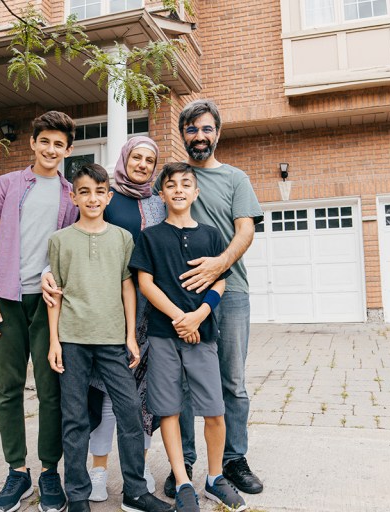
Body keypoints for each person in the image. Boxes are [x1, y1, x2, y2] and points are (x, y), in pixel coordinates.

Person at [47, 163, 173, 512]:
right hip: (72, 340)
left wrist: (131, 336)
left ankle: (135, 490)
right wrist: (55, 342)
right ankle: (77, 495)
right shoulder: (60, 241)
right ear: (73, 196)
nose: (92, 198)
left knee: (130, 411)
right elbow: (55, 293)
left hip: (112, 340)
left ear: (109, 195)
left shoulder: (122, 238)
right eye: (84, 191)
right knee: (74, 418)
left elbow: (127, 287)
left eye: (99, 192)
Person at [156, 99, 265, 498]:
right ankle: (183, 462)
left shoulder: (236, 179)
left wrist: (218, 265)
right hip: (179, 298)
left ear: (217, 132)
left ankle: (233, 461)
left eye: (206, 129)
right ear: (182, 134)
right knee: (182, 383)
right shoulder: (174, 177)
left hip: (230, 293)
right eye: (191, 129)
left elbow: (246, 231)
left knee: (231, 382)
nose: (199, 136)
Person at [132, 162, 248, 512]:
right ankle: (182, 480)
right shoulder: (150, 236)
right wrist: (178, 317)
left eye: (186, 184)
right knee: (168, 409)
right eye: (171, 185)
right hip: (164, 335)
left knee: (214, 409)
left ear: (195, 192)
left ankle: (215, 479)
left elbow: (220, 280)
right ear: (161, 193)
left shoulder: (212, 235)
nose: (179, 189)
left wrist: (199, 315)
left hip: (203, 334)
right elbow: (145, 283)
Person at [0, 111, 78, 512]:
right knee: (8, 387)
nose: (51, 149)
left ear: (68, 150)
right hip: (5, 297)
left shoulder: (71, 195)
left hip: (49, 303)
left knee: (51, 389)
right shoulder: (8, 184)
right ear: (33, 143)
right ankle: (17, 472)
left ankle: (50, 471)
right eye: (45, 141)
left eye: (59, 144)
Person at [84, 137, 166, 501]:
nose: (143, 164)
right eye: (137, 157)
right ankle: (98, 471)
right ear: (124, 158)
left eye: (150, 160)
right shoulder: (107, 198)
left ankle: (140, 466)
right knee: (104, 395)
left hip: (151, 313)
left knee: (144, 397)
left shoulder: (159, 204)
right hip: (108, 309)